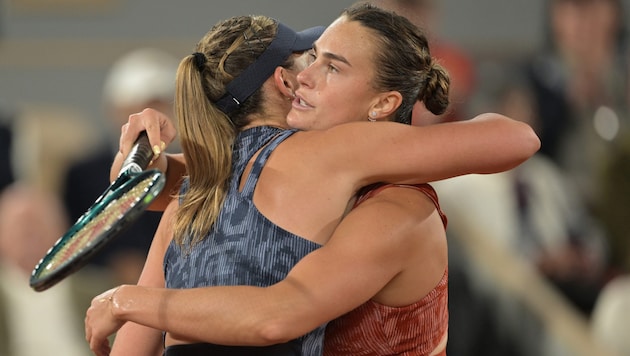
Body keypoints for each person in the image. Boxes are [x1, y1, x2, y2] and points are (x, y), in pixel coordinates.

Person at [85, 4, 539, 355]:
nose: (305, 78)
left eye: (332, 67)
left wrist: (126, 298)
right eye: (312, 59)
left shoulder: (394, 204)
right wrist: (149, 167)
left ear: (382, 106)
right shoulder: (230, 183)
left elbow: (278, 315)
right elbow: (179, 182)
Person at [61, 47, 179, 285]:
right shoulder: (82, 173)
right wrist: (113, 264)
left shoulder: (194, 167)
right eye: (139, 106)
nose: (150, 117)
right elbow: (74, 238)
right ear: (116, 110)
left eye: (160, 105)